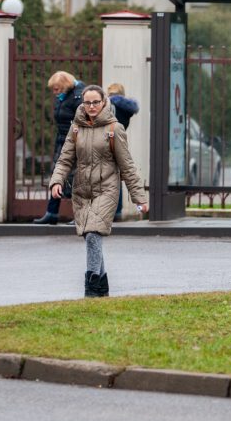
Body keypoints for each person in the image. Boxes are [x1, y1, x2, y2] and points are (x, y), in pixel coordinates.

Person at [49, 85, 148, 297]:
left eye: (96, 102)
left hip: (107, 189)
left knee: (93, 233)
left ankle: (91, 287)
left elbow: (127, 165)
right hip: (82, 191)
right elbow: (65, 159)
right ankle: (102, 287)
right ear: (82, 104)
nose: (91, 106)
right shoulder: (76, 128)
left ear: (104, 102)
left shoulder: (114, 129)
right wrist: (57, 181)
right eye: (87, 102)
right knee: (89, 235)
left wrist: (139, 197)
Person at [33, 71, 84, 225]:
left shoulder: (79, 96)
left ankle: (81, 216)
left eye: (57, 89)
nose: (54, 93)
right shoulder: (64, 97)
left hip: (76, 142)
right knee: (57, 175)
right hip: (62, 141)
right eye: (53, 89)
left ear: (65, 85)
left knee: (77, 179)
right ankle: (52, 212)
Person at [106, 83, 140, 220]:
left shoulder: (109, 106)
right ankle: (117, 211)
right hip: (120, 145)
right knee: (117, 180)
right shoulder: (127, 109)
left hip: (107, 143)